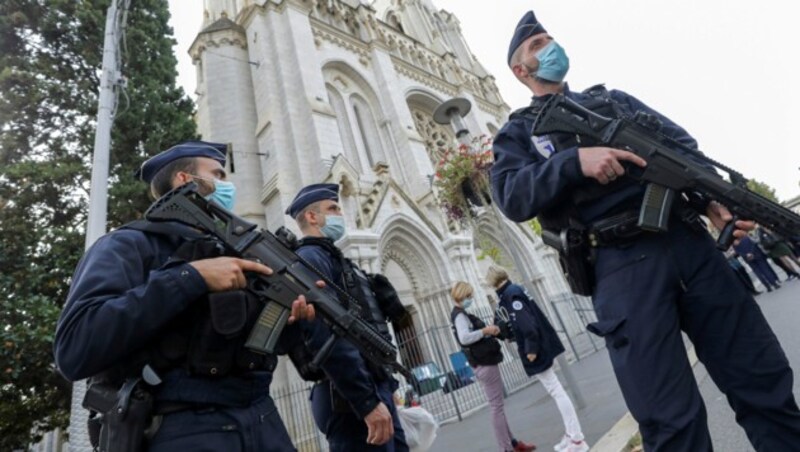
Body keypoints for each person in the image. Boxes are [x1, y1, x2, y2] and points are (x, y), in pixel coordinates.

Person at [491, 10, 800, 451]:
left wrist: (710, 202)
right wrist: (574, 163)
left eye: (550, 38)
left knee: (762, 380)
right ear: (521, 71)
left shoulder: (614, 101)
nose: (551, 47)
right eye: (537, 45)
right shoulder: (519, 132)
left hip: (690, 245)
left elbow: (683, 150)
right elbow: (511, 195)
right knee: (670, 421)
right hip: (620, 266)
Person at [54, 141, 317, 451]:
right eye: (218, 175)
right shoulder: (127, 245)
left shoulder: (234, 254)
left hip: (262, 418)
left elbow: (247, 342)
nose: (227, 185)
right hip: (181, 426)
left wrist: (291, 318)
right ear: (185, 181)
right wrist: (191, 277)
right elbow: (75, 347)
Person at [286, 183, 408, 452]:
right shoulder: (310, 258)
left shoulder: (333, 258)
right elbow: (326, 335)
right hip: (345, 396)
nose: (341, 214)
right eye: (333, 208)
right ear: (312, 217)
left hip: (368, 384)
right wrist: (366, 401)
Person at [486, 266, 588, 452]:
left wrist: (531, 350)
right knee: (555, 389)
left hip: (535, 348)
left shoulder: (510, 294)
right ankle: (571, 434)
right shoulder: (513, 290)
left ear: (492, 281)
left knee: (556, 390)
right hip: (538, 344)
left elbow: (527, 325)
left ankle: (577, 439)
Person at [449, 281, 536, 452]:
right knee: (497, 407)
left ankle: (512, 443)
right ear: (463, 295)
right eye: (469, 296)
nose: (471, 299)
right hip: (484, 363)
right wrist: (486, 331)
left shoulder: (461, 314)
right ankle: (505, 447)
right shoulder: (459, 315)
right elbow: (464, 338)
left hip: (483, 362)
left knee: (498, 406)